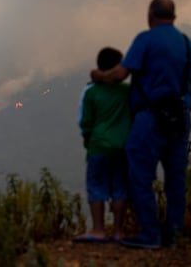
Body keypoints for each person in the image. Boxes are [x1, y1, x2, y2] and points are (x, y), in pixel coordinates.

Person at [91, 0, 191, 249]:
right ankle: (174, 234)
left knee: (139, 173)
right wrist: (188, 104)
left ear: (150, 15)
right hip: (180, 118)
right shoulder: (187, 43)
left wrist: (98, 75)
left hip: (150, 117)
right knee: (176, 178)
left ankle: (150, 234)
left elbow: (120, 74)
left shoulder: (145, 40)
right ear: (174, 17)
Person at [73, 47, 131, 243]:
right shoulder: (128, 91)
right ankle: (118, 232)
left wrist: (89, 141)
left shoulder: (91, 91)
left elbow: (85, 122)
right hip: (123, 146)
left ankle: (98, 231)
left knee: (97, 186)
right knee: (120, 189)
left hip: (98, 146)